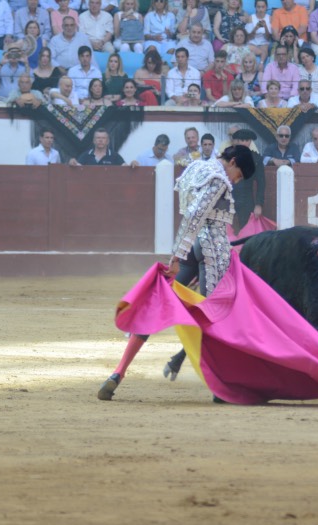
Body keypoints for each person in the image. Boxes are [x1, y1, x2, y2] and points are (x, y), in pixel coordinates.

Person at [97, 144, 256, 400]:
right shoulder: (218, 178)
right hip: (211, 249)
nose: (235, 182)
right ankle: (220, 387)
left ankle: (118, 372)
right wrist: (176, 256)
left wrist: (180, 253)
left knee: (156, 303)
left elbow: (189, 215)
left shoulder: (196, 167)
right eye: (238, 176)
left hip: (193, 247)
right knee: (217, 315)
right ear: (233, 161)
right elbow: (195, 216)